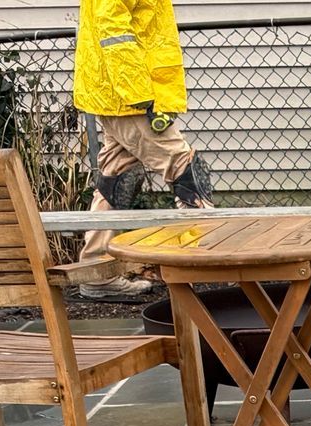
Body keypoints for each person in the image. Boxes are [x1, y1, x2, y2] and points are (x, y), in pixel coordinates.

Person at [72, 0, 212, 301]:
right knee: (185, 168)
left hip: (121, 94)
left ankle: (97, 271)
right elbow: (113, 30)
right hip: (129, 96)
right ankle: (205, 263)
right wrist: (141, 95)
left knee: (117, 176)